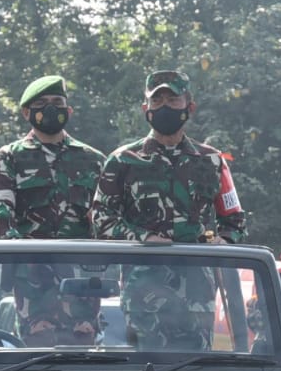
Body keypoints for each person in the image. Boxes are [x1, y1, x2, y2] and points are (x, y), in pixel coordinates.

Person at [92, 70, 245, 244]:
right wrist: (144, 238)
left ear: (190, 107)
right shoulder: (121, 161)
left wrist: (224, 240)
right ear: (146, 109)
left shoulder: (213, 161)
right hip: (140, 268)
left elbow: (235, 220)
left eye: (173, 100)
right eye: (156, 101)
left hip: (197, 267)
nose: (164, 107)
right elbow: (101, 219)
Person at [0, 75, 106, 239]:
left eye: (57, 103)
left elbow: (108, 217)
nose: (50, 109)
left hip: (80, 261)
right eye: (41, 104)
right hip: (26, 259)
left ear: (68, 111)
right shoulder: (9, 158)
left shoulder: (94, 161)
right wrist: (23, 253)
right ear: (27, 113)